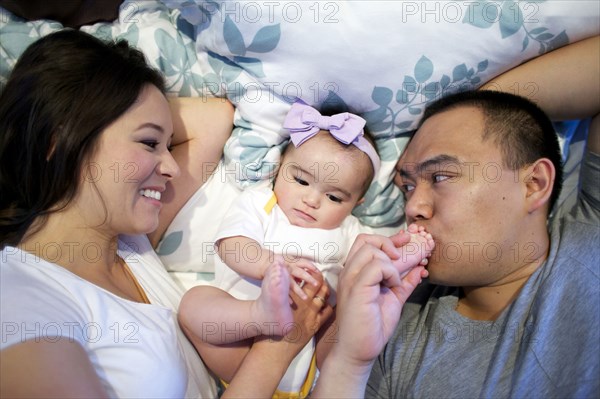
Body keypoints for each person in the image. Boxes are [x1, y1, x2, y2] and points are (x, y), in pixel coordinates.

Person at [0, 29, 332, 398]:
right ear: (59, 143)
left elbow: (215, 119)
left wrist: (129, 104)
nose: (172, 167)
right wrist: (279, 347)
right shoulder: (18, 299)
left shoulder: (130, 246)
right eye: (149, 142)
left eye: (166, 142)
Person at [309, 35, 599, 397]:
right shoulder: (394, 332)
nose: (413, 207)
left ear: (534, 184)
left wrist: (493, 103)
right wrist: (351, 362)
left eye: (441, 176)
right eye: (408, 187)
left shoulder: (592, 231)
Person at [178, 100, 435, 397]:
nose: (312, 200)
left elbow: (368, 262)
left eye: (335, 198)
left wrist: (400, 246)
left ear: (355, 205)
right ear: (278, 171)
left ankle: (399, 266)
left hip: (311, 362)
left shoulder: (349, 231)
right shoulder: (261, 204)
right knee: (195, 303)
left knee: (351, 309)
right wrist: (269, 265)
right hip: (239, 351)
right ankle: (258, 314)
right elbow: (231, 246)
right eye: (301, 180)